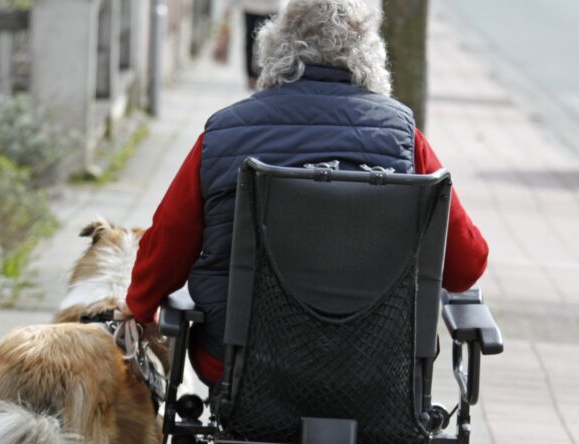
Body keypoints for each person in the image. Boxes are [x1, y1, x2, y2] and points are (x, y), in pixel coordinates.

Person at [123, 0, 489, 386]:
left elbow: (168, 241)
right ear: (370, 54)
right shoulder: (402, 139)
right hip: (375, 368)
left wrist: (140, 306)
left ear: (274, 47)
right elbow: (467, 266)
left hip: (240, 363)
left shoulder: (224, 133)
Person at [243, 0, 286, 88]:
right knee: (250, 39)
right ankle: (250, 75)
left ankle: (268, 73)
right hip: (250, 6)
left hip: (271, 6)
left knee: (272, 39)